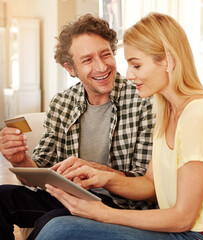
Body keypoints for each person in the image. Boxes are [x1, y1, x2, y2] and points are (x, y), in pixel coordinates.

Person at [36, 12, 203, 240]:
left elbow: (184, 217)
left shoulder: (201, 113)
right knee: (58, 225)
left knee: (60, 230)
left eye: (136, 65)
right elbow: (150, 184)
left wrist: (103, 213)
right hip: (178, 230)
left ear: (167, 61)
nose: (128, 75)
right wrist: (103, 177)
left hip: (201, 235)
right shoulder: (166, 110)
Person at [0, 14, 155, 240]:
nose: (101, 66)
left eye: (106, 54)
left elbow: (146, 184)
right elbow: (41, 170)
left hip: (120, 205)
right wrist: (19, 160)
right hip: (68, 196)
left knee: (52, 222)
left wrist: (96, 171)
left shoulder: (143, 100)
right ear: (70, 68)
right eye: (88, 60)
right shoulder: (62, 103)